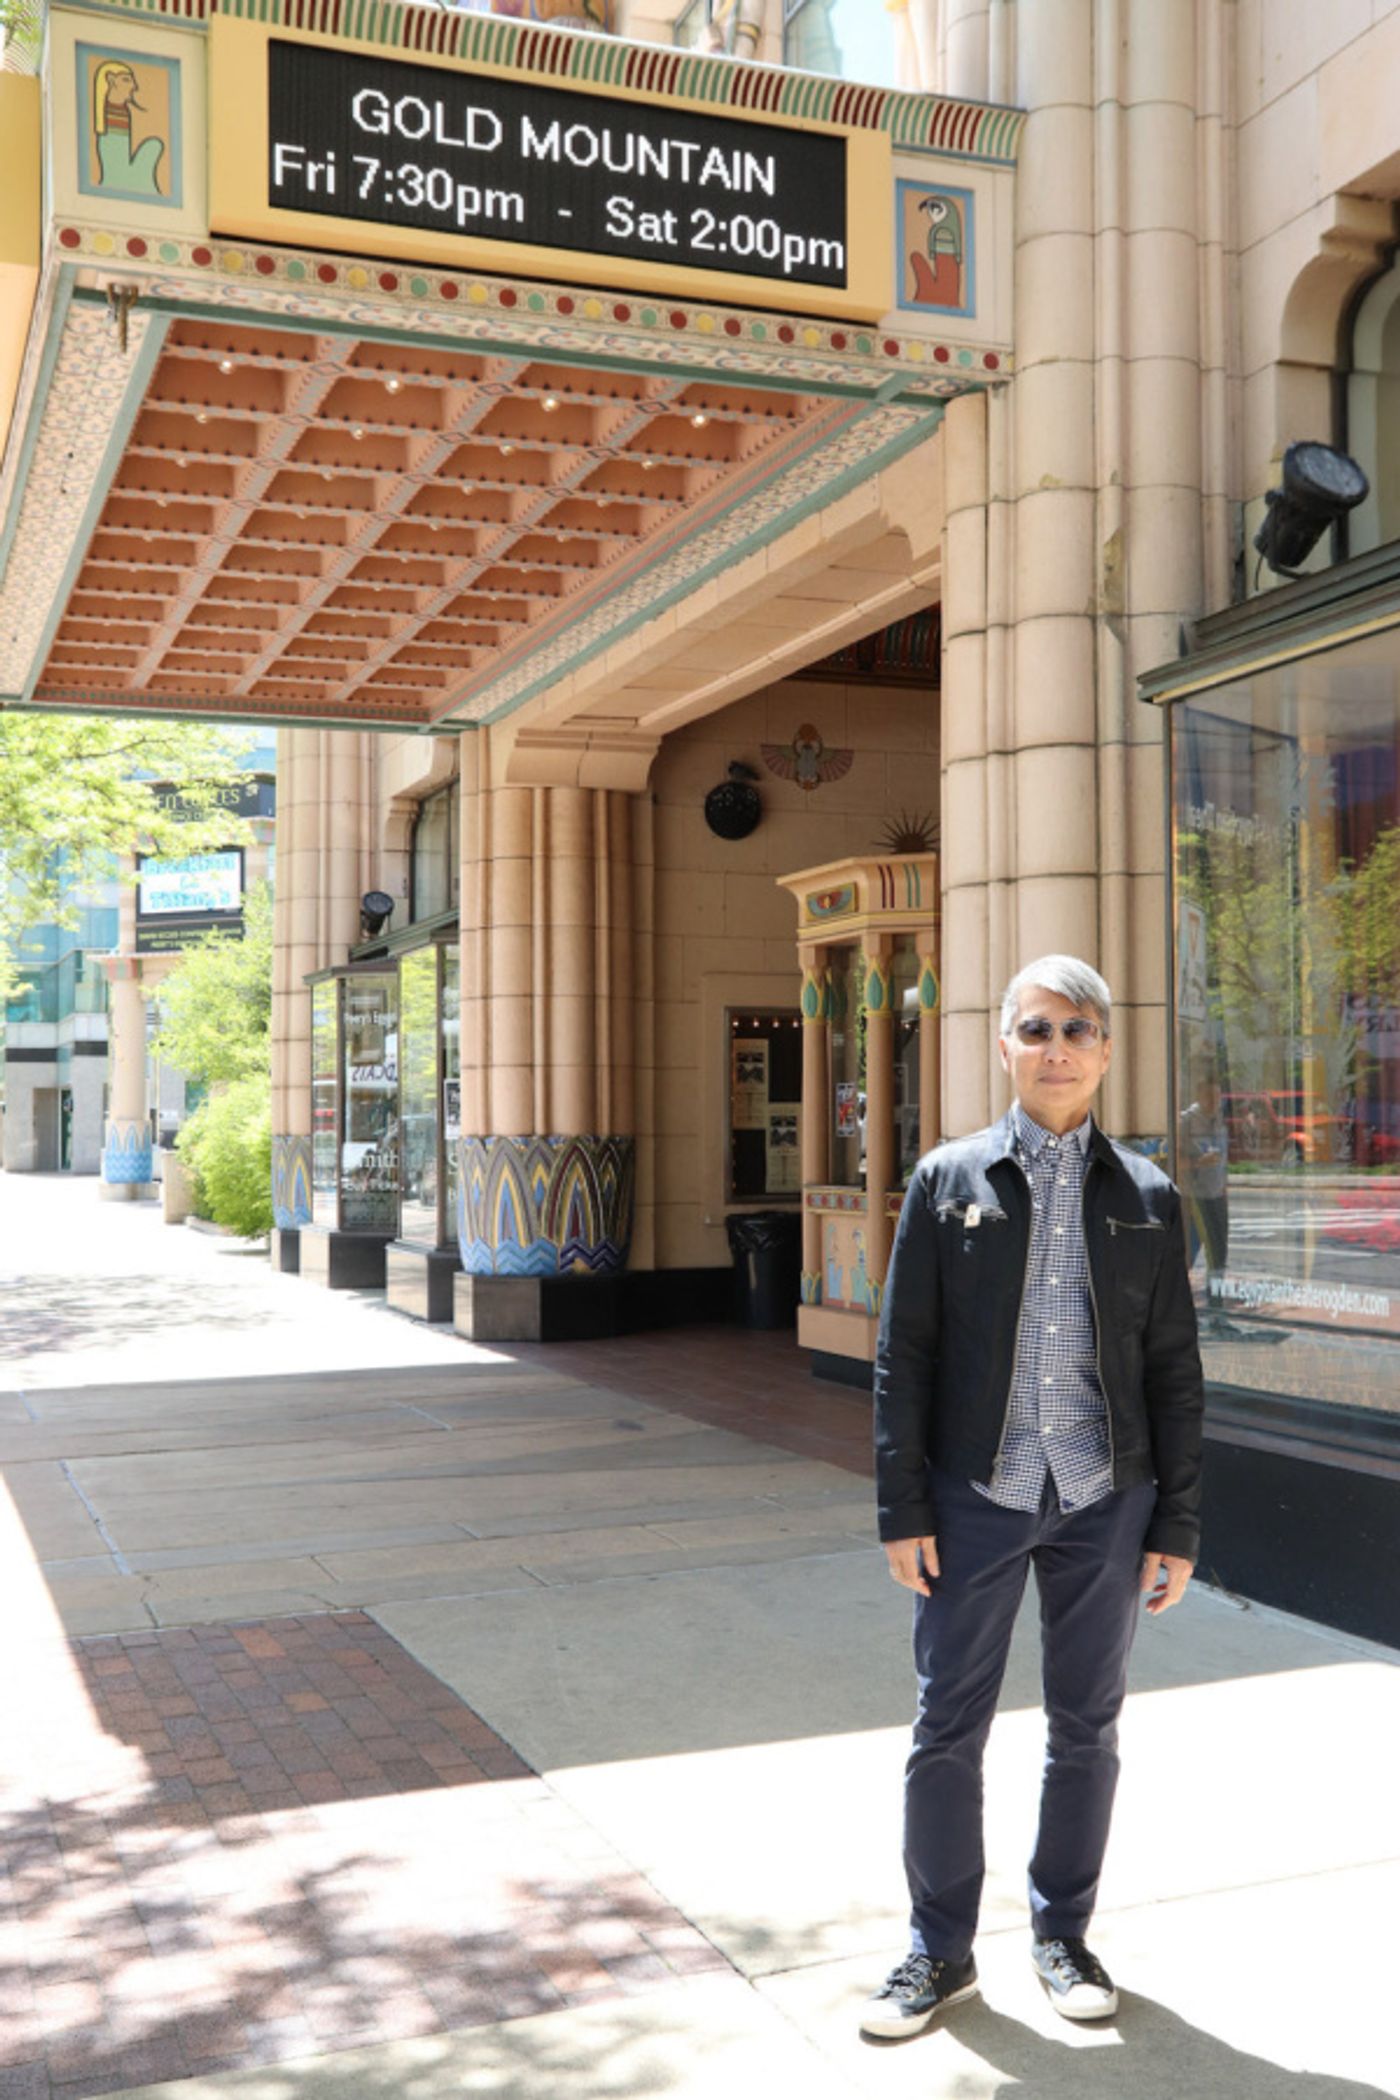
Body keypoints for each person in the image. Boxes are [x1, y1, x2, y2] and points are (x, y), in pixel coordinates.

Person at [863, 956, 1203, 2039]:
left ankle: (1061, 1933)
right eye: (1034, 1028)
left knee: (1085, 1728)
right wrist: (900, 1506)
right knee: (944, 1726)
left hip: (1105, 1498)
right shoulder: (945, 1181)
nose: (1055, 1048)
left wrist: (1176, 1523)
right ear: (1002, 1046)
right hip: (975, 1494)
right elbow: (901, 1353)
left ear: (1104, 1053)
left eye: (1076, 1030)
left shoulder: (1148, 1197)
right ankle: (938, 1950)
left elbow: (1172, 1374)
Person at [1179, 1071, 1229, 1313]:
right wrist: (1199, 1162)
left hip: (1217, 1194)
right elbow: (1171, 1161)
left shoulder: (1220, 1118)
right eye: (1209, 1096)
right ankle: (1172, 1303)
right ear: (1199, 1095)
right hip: (1195, 1196)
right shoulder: (1186, 1121)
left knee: (1218, 1253)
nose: (1214, 1101)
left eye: (1218, 1096)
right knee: (1190, 1252)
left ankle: (1216, 1302)